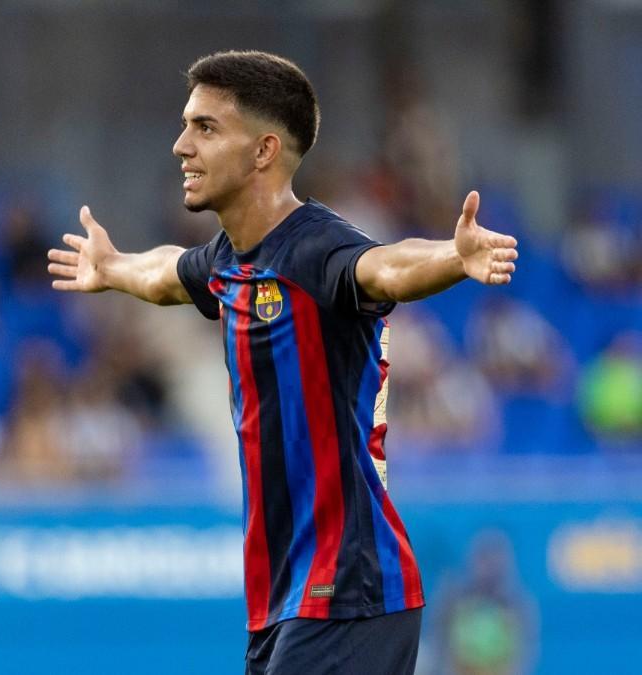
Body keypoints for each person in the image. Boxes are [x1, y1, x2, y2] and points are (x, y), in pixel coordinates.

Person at [48, 50, 519, 674]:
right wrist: (111, 269)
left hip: (347, 588)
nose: (181, 146)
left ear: (264, 151)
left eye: (205, 128)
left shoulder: (316, 249)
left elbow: (384, 265)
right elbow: (168, 275)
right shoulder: (229, 259)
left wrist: (452, 258)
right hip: (285, 602)